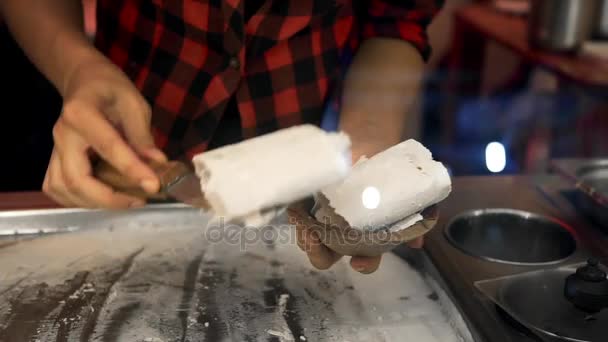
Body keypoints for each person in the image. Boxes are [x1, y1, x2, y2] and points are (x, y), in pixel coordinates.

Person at [0, 0, 442, 274]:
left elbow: (396, 19)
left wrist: (367, 148)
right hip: (126, 147)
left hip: (288, 192)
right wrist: (77, 68)